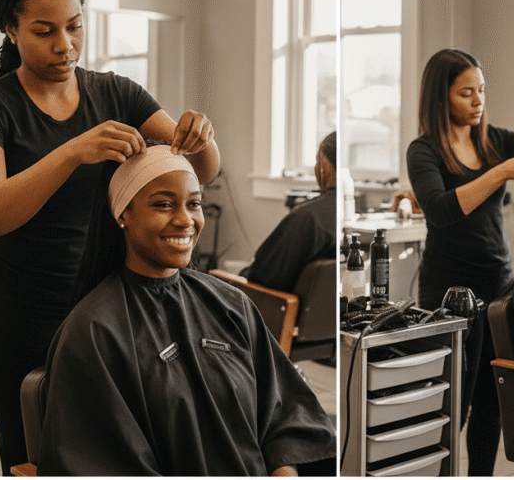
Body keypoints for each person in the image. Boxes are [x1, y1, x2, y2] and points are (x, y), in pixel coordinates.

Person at [0, 0, 220, 474]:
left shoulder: (117, 93)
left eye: (75, 26)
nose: (65, 45)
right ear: (11, 30)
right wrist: (72, 152)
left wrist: (202, 136)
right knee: (34, 464)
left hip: (109, 316)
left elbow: (204, 168)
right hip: (22, 322)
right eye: (44, 31)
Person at [37, 144, 336, 476]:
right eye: (163, 205)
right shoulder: (93, 331)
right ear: (122, 214)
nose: (185, 220)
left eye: (194, 204)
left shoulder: (231, 303)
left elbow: (285, 416)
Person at [406, 48, 514, 476]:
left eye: (482, 90)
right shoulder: (424, 150)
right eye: (466, 92)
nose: (478, 101)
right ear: (441, 97)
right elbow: (440, 210)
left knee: (491, 404)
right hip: (447, 294)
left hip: (499, 290)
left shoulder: (495, 140)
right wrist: (500, 172)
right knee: (450, 405)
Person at [241, 131, 336, 291]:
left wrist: (240, 276)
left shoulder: (308, 217)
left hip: (268, 301)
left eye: (317, 161)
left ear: (324, 166)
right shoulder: (349, 212)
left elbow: (263, 276)